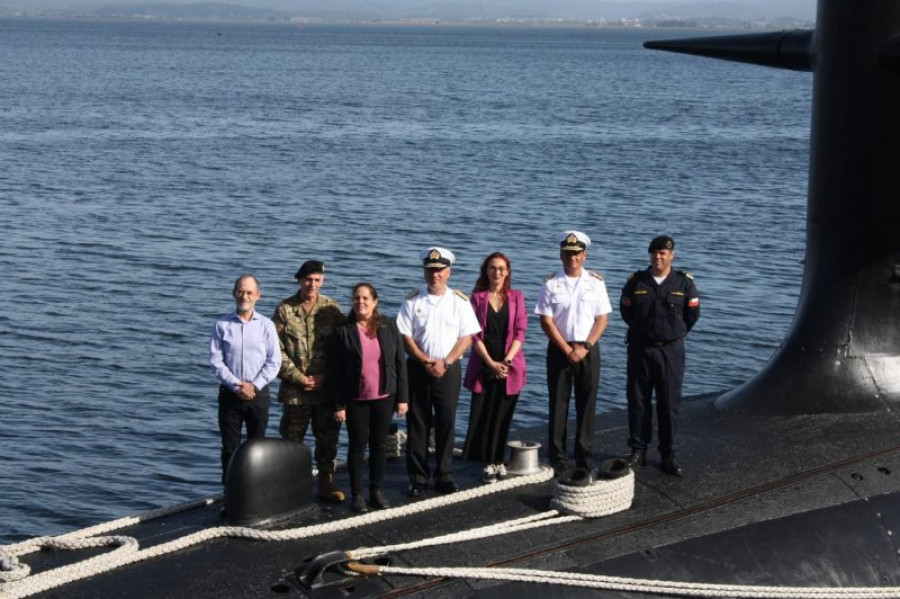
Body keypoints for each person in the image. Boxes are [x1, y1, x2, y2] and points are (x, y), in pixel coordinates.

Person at [397, 246, 481, 497]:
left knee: (446, 422)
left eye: (440, 270)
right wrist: (424, 359)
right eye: (431, 270)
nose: (435, 274)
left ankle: (444, 475)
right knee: (418, 424)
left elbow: (467, 337)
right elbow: (405, 336)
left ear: (448, 272)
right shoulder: (412, 301)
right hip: (418, 369)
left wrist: (447, 361)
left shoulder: (459, 301)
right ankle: (418, 477)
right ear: (425, 271)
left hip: (449, 369)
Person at [535, 230, 612, 483]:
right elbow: (546, 321)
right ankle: (558, 459)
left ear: (584, 255)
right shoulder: (550, 283)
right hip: (560, 350)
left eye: (576, 254)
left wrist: (585, 346)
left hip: (588, 349)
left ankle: (585, 457)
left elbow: (602, 319)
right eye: (568, 254)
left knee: (586, 403)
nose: (572, 258)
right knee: (558, 404)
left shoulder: (596, 282)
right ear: (561, 255)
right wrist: (567, 349)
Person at [620, 235, 700, 476]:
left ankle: (669, 454)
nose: (658, 257)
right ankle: (638, 451)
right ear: (650, 255)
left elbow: (692, 316)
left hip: (670, 350)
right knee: (638, 400)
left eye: (663, 253)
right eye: (655, 253)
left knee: (669, 403)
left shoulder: (684, 283)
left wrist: (673, 333)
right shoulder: (637, 282)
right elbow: (626, 311)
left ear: (671, 255)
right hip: (641, 348)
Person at [273, 260, 346, 502]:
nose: (312, 284)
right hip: (296, 390)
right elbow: (276, 350)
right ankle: (288, 485)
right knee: (291, 440)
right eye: (308, 280)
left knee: (327, 438)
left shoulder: (332, 310)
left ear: (322, 281)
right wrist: (298, 377)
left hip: (325, 389)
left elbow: (342, 350)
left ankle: (326, 482)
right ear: (299, 280)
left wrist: (326, 376)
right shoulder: (284, 310)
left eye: (317, 280)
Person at [332, 283, 409, 513]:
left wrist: (402, 398)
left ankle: (376, 489)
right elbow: (335, 371)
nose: (361, 302)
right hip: (356, 398)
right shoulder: (343, 331)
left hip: (384, 396)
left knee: (378, 445)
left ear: (375, 301)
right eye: (356, 298)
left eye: (366, 298)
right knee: (357, 446)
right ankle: (357, 494)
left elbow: (399, 362)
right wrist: (339, 405)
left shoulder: (388, 325)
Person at [209, 274, 281, 484]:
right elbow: (216, 361)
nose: (244, 296)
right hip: (230, 396)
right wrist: (235, 385)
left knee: (257, 448)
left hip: (258, 396)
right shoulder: (221, 325)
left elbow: (274, 361)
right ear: (234, 294)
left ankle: (256, 494)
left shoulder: (266, 326)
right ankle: (229, 495)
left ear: (257, 296)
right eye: (241, 291)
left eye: (249, 292)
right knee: (230, 448)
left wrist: (254, 386)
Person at [462, 252, 527, 484]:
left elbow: (520, 330)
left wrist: (507, 361)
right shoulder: (477, 298)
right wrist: (491, 363)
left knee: (503, 415)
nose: (497, 272)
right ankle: (488, 462)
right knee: (485, 415)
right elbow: (473, 334)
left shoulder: (517, 297)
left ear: (507, 271)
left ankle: (499, 461)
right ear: (486, 271)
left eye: (501, 268)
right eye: (492, 268)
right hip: (484, 364)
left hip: (509, 366)